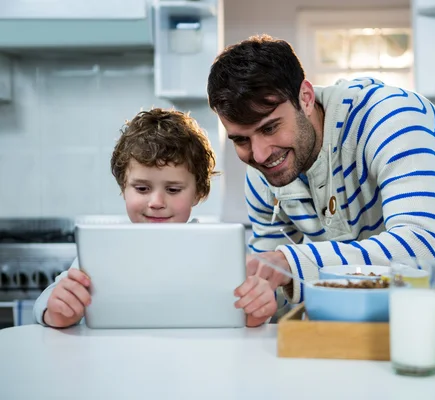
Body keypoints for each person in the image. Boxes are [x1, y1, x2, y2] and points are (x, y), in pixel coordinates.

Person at [206, 34, 435, 314]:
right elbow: (273, 282)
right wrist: (262, 299)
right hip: (386, 304)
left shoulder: (389, 116)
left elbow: (423, 251)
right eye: (241, 139)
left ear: (305, 98)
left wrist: (291, 261)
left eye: (270, 127)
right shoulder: (264, 172)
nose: (259, 154)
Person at [33, 108, 276, 328]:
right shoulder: (105, 249)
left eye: (173, 190)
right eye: (141, 189)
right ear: (123, 187)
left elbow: (248, 316)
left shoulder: (218, 250)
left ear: (199, 192)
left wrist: (257, 310)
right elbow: (48, 300)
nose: (156, 202)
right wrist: (56, 312)